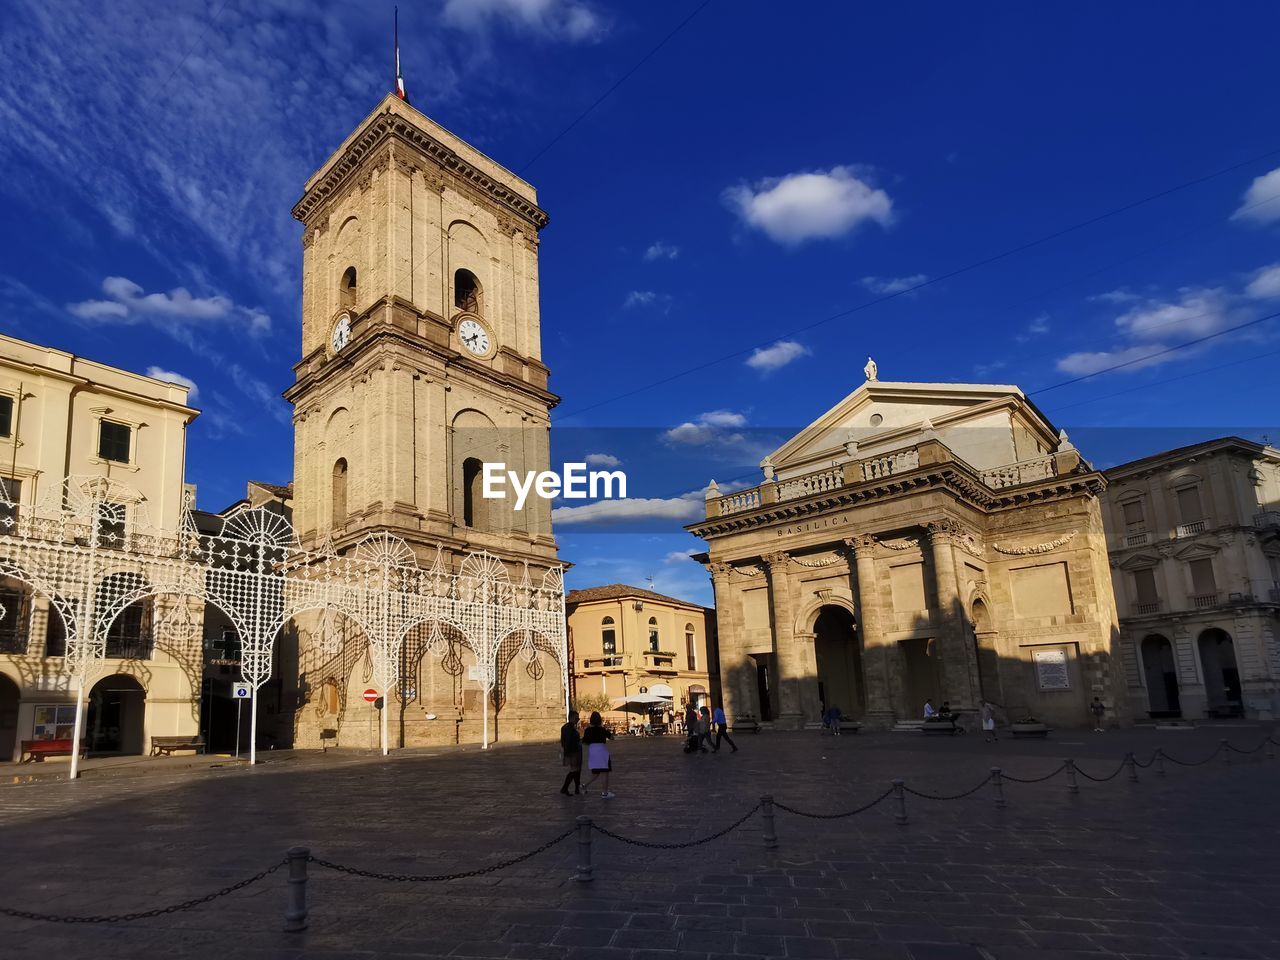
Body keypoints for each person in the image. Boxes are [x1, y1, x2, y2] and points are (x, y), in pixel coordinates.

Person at [581, 711, 616, 798]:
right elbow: (612, 737)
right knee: (605, 772)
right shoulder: (602, 729)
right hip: (602, 750)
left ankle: (584, 785)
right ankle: (605, 793)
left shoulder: (588, 730)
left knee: (595, 772)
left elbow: (584, 742)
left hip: (593, 750)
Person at [559, 710, 582, 795]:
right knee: (574, 770)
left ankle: (576, 788)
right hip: (573, 752)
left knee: (576, 771)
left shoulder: (568, 727)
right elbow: (567, 741)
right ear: (571, 718)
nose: (578, 720)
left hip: (574, 751)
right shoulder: (569, 728)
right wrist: (567, 753)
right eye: (576, 718)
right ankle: (564, 788)